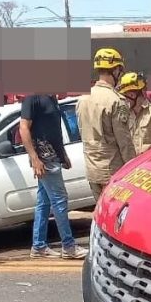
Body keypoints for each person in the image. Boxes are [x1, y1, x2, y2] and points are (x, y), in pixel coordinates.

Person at [19, 94, 88, 260]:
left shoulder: (51, 98)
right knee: (59, 200)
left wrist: (62, 154)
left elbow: (54, 130)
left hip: (53, 156)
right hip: (45, 158)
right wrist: (35, 158)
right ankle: (68, 246)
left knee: (44, 202)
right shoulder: (33, 98)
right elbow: (23, 128)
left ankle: (39, 245)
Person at [76, 48, 136, 202]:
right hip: (112, 171)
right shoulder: (116, 101)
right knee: (118, 216)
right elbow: (125, 143)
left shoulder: (82, 98)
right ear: (115, 70)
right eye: (119, 71)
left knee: (101, 215)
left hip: (92, 170)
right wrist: (135, 170)